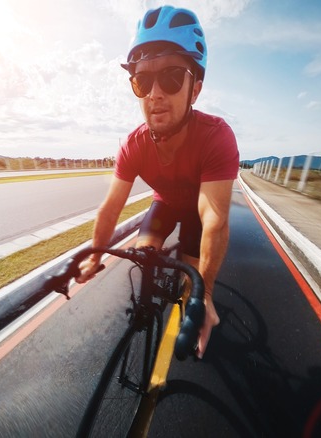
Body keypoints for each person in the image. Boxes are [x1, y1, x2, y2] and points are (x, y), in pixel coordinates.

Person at [76, 5, 239, 359]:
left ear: (194, 89)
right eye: (141, 79)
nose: (154, 93)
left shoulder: (216, 137)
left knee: (190, 284)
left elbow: (215, 220)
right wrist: (93, 255)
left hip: (198, 210)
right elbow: (110, 207)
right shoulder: (133, 144)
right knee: (143, 259)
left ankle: (188, 299)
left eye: (170, 77)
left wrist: (204, 294)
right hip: (164, 203)